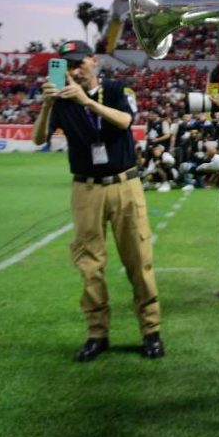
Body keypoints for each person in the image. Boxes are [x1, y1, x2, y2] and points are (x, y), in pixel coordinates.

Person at [31, 40, 163, 361]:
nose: (75, 70)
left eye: (80, 62)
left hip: (124, 184)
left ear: (94, 60)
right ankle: (97, 333)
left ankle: (151, 331)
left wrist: (87, 102)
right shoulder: (61, 99)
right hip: (85, 188)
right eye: (68, 64)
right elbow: (38, 139)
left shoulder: (118, 89)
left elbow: (125, 121)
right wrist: (48, 104)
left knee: (138, 260)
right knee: (89, 264)